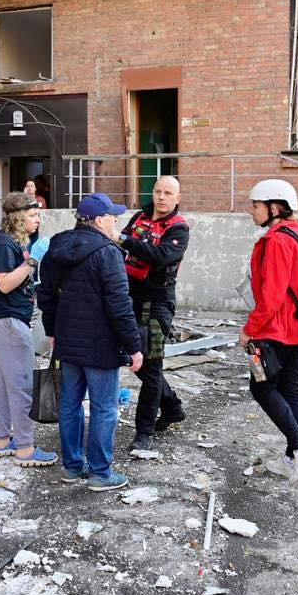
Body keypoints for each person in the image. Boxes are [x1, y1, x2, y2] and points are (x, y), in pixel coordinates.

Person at [39, 193, 144, 492]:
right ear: (99, 220)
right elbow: (120, 304)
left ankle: (72, 467)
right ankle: (100, 473)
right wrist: (134, 346)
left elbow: (45, 294)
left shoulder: (56, 247)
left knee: (70, 404)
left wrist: (53, 330)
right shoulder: (107, 253)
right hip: (101, 345)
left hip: (68, 341)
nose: (116, 222)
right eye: (113, 217)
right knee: (104, 408)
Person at [239, 180, 298, 482]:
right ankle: (294, 457)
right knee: (289, 390)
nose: (252, 211)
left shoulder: (276, 240)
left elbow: (272, 296)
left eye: (256, 206)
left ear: (274, 207)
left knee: (261, 388)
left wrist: (249, 329)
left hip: (276, 330)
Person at [0, 192, 58, 467]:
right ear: (18, 217)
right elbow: (3, 284)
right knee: (23, 384)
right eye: (33, 215)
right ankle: (25, 449)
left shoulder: (16, 241)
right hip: (7, 320)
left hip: (6, 319)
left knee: (4, 383)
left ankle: (1, 441)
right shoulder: (4, 242)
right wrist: (31, 262)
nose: (37, 220)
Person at [119, 176, 189, 453]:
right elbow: (120, 244)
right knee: (139, 364)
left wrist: (125, 241)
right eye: (158, 191)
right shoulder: (139, 217)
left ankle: (144, 433)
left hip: (158, 302)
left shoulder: (179, 229)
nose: (161, 197)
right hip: (129, 297)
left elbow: (159, 256)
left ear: (177, 198)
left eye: (168, 193)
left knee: (151, 366)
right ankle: (171, 406)